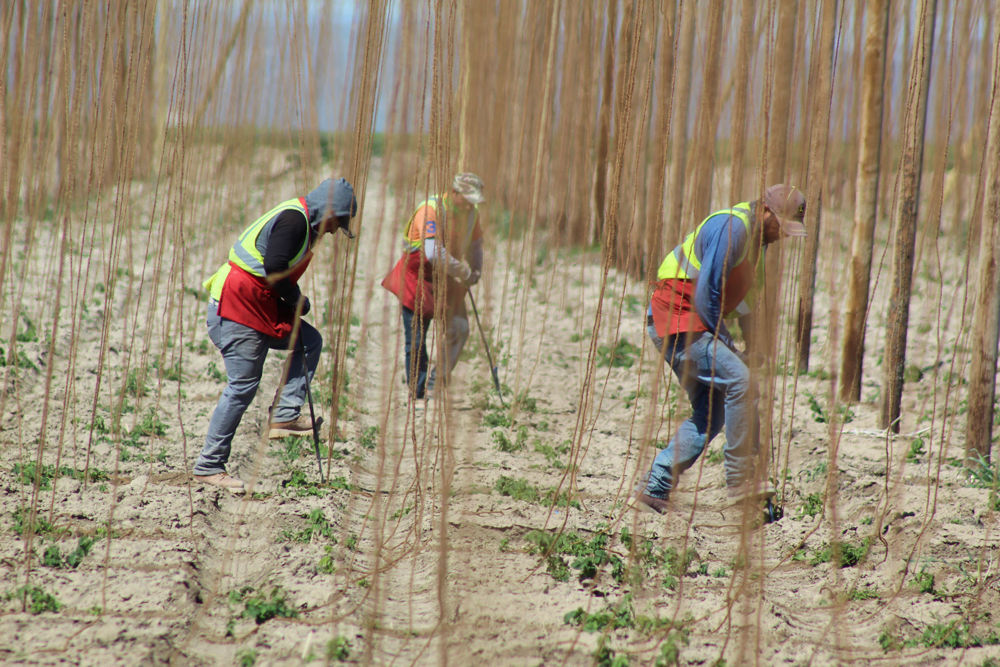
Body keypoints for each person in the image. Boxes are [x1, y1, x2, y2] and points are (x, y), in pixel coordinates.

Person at [632, 184, 807, 515]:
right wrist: (726, 343)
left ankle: (655, 485)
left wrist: (754, 345)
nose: (783, 236)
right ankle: (741, 480)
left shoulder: (756, 241)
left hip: (684, 321)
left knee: (711, 412)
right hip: (678, 320)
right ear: (767, 212)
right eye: (781, 227)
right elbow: (706, 294)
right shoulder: (733, 228)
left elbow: (746, 300)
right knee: (741, 383)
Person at [193, 178, 358, 493]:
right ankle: (208, 466)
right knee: (242, 387)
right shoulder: (294, 221)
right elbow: (275, 267)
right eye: (338, 222)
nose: (337, 230)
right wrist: (297, 301)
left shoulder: (305, 224)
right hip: (238, 305)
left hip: (258, 303)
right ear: (328, 211)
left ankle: (284, 414)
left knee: (308, 341)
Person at [382, 173, 485, 399]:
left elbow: (476, 245)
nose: (470, 205)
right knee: (417, 339)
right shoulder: (431, 209)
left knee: (459, 328)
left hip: (446, 277)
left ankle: (436, 381)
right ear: (454, 193)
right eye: (466, 199)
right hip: (417, 278)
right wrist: (464, 272)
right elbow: (433, 253)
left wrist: (476, 270)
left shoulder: (472, 214)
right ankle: (417, 391)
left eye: (473, 201)